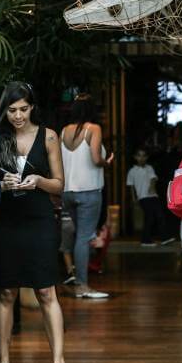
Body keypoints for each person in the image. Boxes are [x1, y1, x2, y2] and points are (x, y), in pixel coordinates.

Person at [0, 82, 70, 363]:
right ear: (2, 109)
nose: (18, 116)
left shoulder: (48, 136)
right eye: (12, 110)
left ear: (32, 107)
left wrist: (39, 181)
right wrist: (1, 187)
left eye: (23, 109)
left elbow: (60, 185)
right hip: (5, 222)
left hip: (38, 221)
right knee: (6, 292)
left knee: (47, 291)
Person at [60, 93, 113, 298]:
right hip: (88, 191)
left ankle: (77, 279)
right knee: (83, 237)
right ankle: (82, 286)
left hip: (67, 193)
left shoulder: (64, 131)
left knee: (79, 237)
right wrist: (107, 161)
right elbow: (95, 158)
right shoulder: (94, 129)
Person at [127, 148, 175, 246]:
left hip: (153, 196)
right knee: (149, 217)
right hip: (142, 197)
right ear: (135, 157)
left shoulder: (149, 168)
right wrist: (133, 199)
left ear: (146, 157)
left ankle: (164, 238)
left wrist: (151, 188)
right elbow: (131, 186)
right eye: (139, 155)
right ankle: (145, 240)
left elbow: (153, 178)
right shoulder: (132, 171)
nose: (141, 158)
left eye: (144, 156)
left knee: (159, 216)